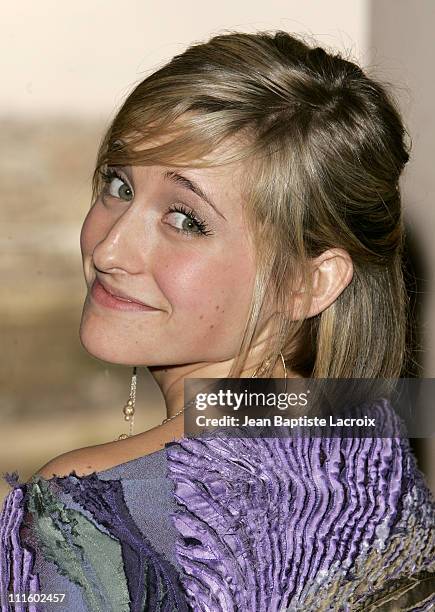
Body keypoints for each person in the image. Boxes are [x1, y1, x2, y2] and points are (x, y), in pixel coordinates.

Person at [1, 30, 434, 611]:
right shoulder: (365, 449)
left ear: (311, 282)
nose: (109, 249)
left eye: (185, 219)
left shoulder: (88, 517)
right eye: (118, 185)